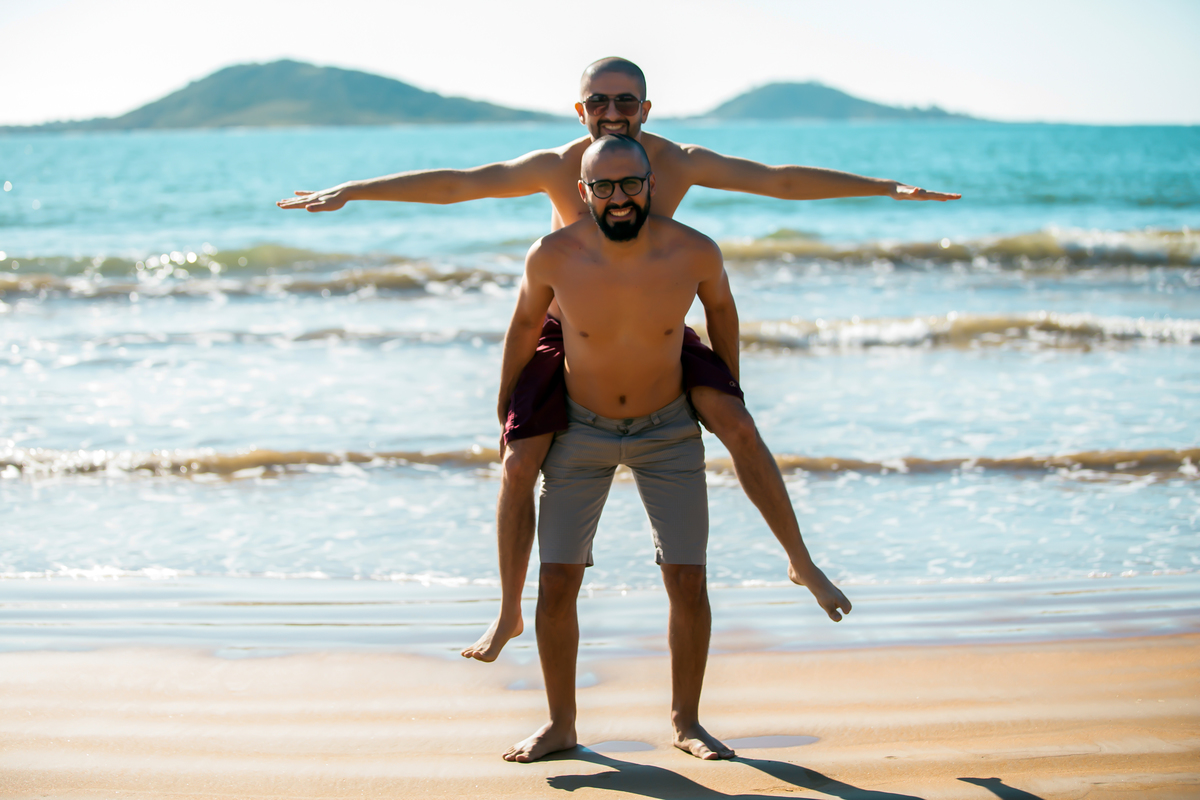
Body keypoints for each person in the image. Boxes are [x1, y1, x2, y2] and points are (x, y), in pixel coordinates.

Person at [278, 57, 956, 662]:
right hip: (565, 332)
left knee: (740, 426)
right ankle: (509, 611)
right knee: (518, 463)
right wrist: (356, 189)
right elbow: (463, 183)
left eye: (624, 100)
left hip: (658, 329)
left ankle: (800, 561)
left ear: (646, 108)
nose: (611, 111)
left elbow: (778, 181)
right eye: (598, 100)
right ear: (580, 109)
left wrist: (885, 187)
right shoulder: (557, 165)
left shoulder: (677, 160)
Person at [499, 134, 850, 763]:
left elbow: (721, 311)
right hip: (581, 429)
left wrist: (728, 387)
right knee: (557, 582)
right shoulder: (551, 255)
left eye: (631, 184)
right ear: (583, 192)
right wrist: (505, 403)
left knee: (687, 579)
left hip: (667, 430)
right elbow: (526, 324)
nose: (619, 197)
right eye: (603, 187)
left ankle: (688, 722)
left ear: (651, 185)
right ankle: (560, 724)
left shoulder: (695, 250)